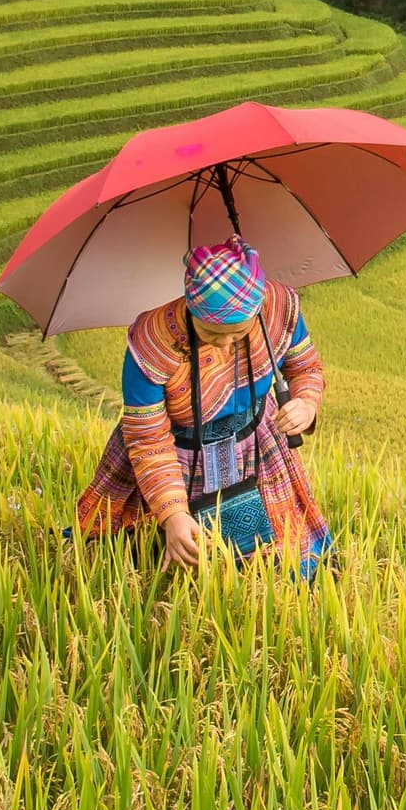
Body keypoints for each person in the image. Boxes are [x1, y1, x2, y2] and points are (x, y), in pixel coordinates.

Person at [76, 235, 331, 574]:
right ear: (191, 309)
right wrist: (173, 514)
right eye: (212, 333)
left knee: (276, 556)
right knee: (149, 557)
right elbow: (148, 437)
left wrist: (306, 402)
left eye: (237, 332)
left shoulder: (277, 309)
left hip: (257, 441)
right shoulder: (153, 342)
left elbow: (306, 368)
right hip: (175, 450)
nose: (226, 344)